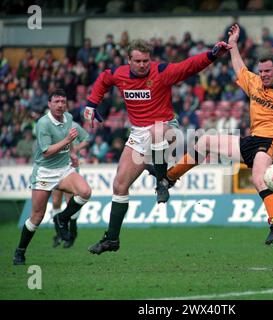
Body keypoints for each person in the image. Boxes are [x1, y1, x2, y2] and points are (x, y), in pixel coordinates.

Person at [149, 24, 273, 245]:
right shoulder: (255, 83)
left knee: (259, 177)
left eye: (268, 71)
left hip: (270, 143)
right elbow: (239, 68)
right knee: (206, 141)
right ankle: (168, 179)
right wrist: (234, 46)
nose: (264, 75)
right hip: (252, 140)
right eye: (261, 71)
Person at [84, 38, 231, 255]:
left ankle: (162, 181)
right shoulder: (120, 73)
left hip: (166, 127)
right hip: (138, 133)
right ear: (129, 60)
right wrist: (91, 103)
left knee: (157, 131)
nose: (143, 64)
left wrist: (212, 55)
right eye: (138, 61)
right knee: (119, 185)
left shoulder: (161, 72)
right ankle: (111, 239)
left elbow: (188, 66)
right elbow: (104, 79)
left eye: (146, 60)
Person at [13, 89, 92, 265]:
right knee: (36, 217)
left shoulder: (69, 118)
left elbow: (71, 142)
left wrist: (72, 153)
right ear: (49, 104)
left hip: (64, 169)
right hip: (45, 172)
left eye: (63, 101)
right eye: (56, 102)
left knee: (85, 192)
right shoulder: (43, 123)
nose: (60, 105)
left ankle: (61, 218)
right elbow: (47, 152)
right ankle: (20, 251)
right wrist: (67, 142)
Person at [51, 121, 90, 248]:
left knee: (69, 201)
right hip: (55, 168)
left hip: (70, 169)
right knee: (56, 201)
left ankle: (72, 233)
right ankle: (59, 233)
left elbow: (87, 139)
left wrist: (75, 148)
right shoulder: (47, 126)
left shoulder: (74, 125)